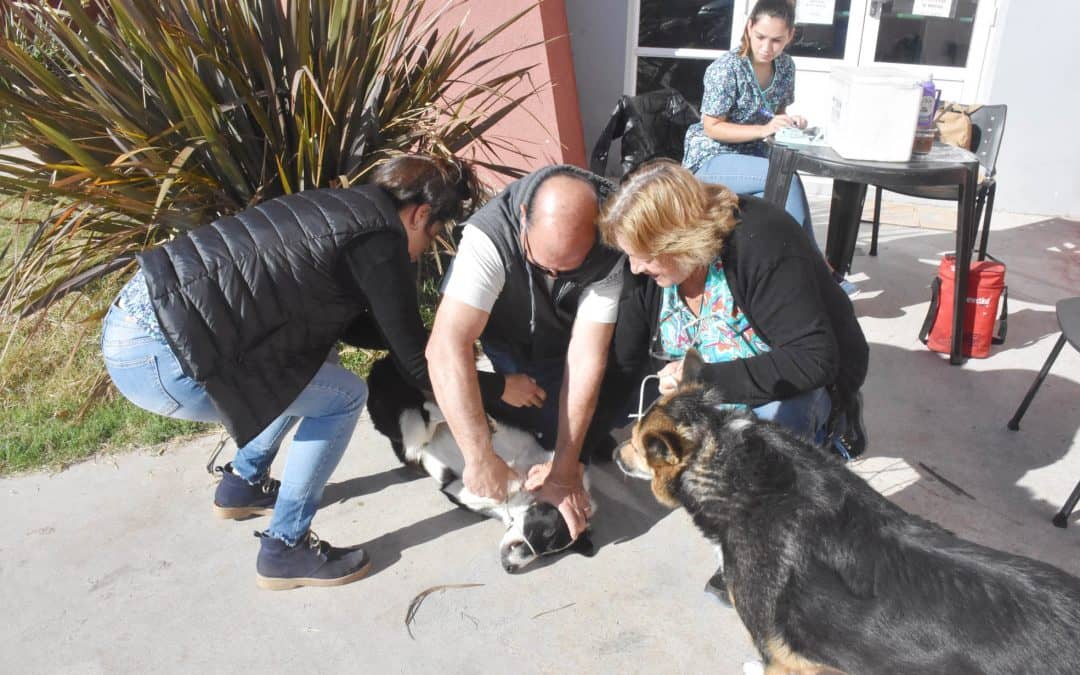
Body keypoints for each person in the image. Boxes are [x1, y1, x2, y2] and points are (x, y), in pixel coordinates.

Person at [100, 154, 483, 590]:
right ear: (421, 215)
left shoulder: (343, 208)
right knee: (342, 397)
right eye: (432, 238)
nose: (424, 250)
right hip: (163, 360)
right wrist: (495, 386)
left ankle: (243, 483)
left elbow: (360, 328)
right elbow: (418, 364)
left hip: (136, 319)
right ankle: (285, 547)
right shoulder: (380, 240)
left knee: (316, 365)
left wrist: (430, 340)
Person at [599, 159, 868, 455]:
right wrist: (573, 456)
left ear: (678, 240)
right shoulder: (652, 274)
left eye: (644, 256)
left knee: (766, 444)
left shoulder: (761, 243)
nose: (635, 268)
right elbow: (622, 368)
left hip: (794, 383)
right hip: (716, 387)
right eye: (630, 256)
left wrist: (701, 379)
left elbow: (813, 360)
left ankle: (831, 426)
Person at [426, 165, 625, 541]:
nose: (551, 272)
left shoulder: (610, 247)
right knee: (527, 416)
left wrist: (565, 474)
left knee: (572, 436)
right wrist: (479, 458)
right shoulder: (488, 237)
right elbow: (446, 348)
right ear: (522, 219)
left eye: (568, 269)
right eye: (541, 262)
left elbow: (585, 358)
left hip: (563, 335)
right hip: (507, 331)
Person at [682, 0, 817, 250]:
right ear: (749, 27)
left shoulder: (786, 67)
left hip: (751, 157)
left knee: (785, 183)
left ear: (790, 35)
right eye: (760, 36)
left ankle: (795, 266)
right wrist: (764, 130)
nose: (767, 47)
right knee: (784, 178)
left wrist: (789, 122)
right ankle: (816, 266)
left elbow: (776, 113)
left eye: (776, 40)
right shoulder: (727, 68)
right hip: (711, 158)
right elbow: (712, 127)